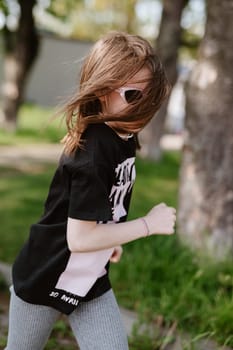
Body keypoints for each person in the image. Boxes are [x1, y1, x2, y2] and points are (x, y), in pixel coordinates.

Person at [5, 31, 176, 350]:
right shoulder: (92, 150)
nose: (144, 107)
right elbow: (79, 238)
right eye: (133, 95)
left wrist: (110, 239)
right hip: (45, 275)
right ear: (102, 91)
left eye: (150, 95)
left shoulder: (123, 135)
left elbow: (97, 211)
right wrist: (147, 226)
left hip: (89, 278)